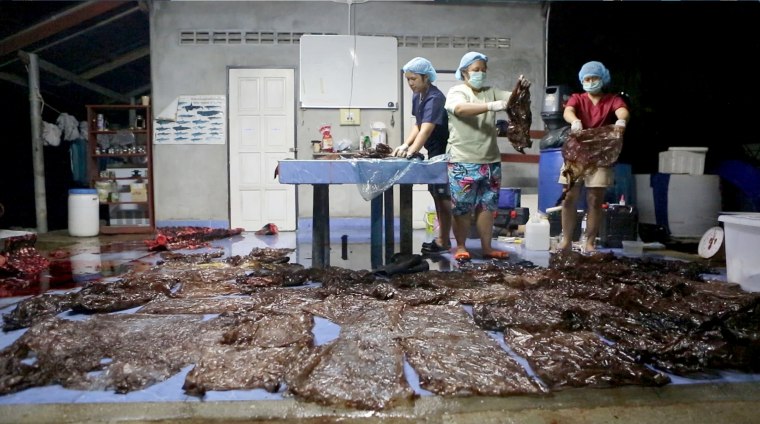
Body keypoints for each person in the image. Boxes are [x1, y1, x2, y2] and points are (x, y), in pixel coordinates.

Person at [444, 51, 528, 261]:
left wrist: (521, 91)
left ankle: (487, 247)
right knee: (462, 207)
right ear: (465, 72)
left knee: (487, 207)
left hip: (490, 160)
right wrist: (491, 106)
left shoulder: (491, 91)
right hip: (463, 159)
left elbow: (513, 100)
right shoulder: (457, 92)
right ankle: (461, 246)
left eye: (483, 70)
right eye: (475, 70)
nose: (480, 73)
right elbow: (461, 110)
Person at [558, 60, 630, 252]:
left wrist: (621, 120)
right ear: (582, 80)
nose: (590, 81)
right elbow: (568, 110)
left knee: (595, 199)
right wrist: (575, 121)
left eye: (594, 78)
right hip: (576, 153)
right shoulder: (577, 98)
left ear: (602, 79)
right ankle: (566, 240)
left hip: (601, 154)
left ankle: (589, 242)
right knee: (569, 196)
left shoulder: (612, 99)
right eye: (587, 78)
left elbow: (622, 110)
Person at [393, 57, 452, 255]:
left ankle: (445, 240)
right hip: (432, 150)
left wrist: (412, 151)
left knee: (443, 196)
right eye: (408, 79)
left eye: (413, 79)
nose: (410, 83)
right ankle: (441, 238)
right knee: (435, 194)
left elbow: (426, 130)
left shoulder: (435, 97)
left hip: (442, 151)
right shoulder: (417, 96)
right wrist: (405, 144)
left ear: (426, 78)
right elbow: (417, 124)